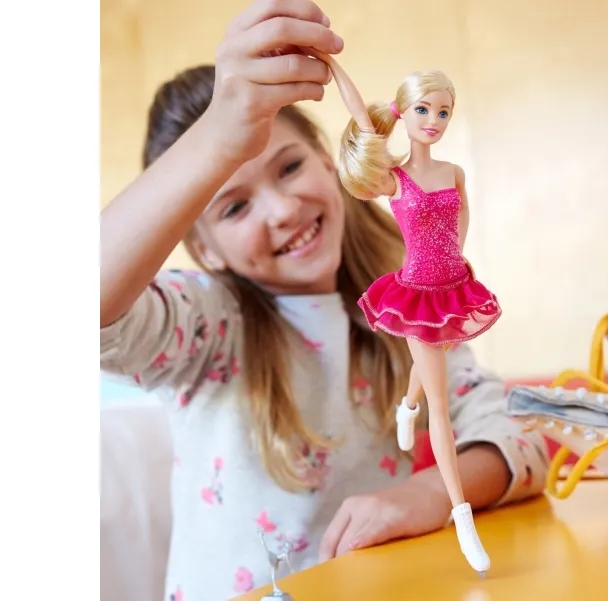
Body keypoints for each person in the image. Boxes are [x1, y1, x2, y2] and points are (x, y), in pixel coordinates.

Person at [100, 1, 549, 599]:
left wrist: (429, 494)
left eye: (289, 167)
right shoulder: (206, 326)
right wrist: (216, 138)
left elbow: (517, 435)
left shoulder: (399, 311)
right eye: (235, 207)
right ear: (204, 248)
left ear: (325, 159)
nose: (283, 209)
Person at [304, 50, 502, 575]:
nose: (434, 121)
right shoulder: (394, 177)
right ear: (405, 112)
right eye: (424, 110)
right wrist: (332, 66)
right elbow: (360, 119)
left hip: (453, 284)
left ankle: (405, 406)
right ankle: (462, 516)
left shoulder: (454, 172)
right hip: (415, 291)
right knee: (442, 402)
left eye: (443, 112)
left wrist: (459, 260)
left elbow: (461, 219)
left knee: (431, 361)